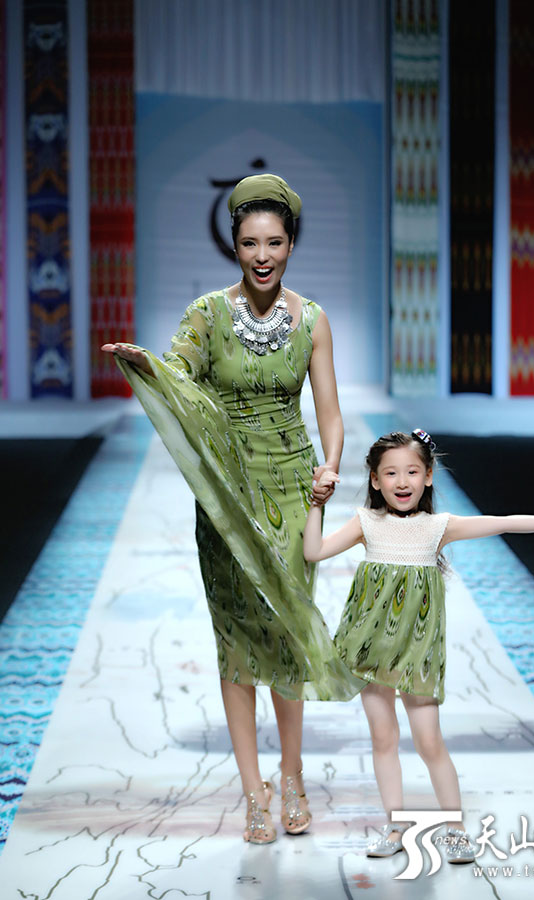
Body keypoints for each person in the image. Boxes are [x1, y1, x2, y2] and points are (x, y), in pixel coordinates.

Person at [101, 173, 362, 845]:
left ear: (292, 243)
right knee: (238, 640)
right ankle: (254, 793)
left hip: (294, 490)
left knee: (290, 630)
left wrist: (331, 464)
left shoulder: (312, 321)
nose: (262, 255)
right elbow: (177, 375)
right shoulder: (207, 315)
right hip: (226, 491)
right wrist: (145, 365)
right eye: (250, 243)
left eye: (274, 242)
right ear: (235, 245)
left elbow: (331, 415)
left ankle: (293, 777)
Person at [304, 429, 534, 864]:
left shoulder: (438, 527)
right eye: (390, 473)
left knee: (430, 742)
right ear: (374, 480)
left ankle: (456, 829)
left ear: (428, 476)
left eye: (411, 471)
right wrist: (316, 504)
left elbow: (503, 522)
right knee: (383, 739)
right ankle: (395, 826)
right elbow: (313, 552)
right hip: (369, 649)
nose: (401, 481)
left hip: (417, 654)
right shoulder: (366, 523)